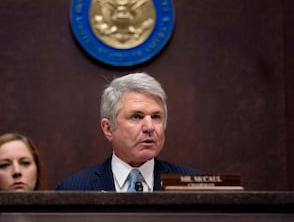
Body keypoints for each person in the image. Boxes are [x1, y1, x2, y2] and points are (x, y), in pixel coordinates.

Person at [56, 72, 201, 192]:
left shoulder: (193, 186)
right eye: (136, 117)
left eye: (156, 117)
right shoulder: (74, 189)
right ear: (108, 128)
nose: (149, 127)